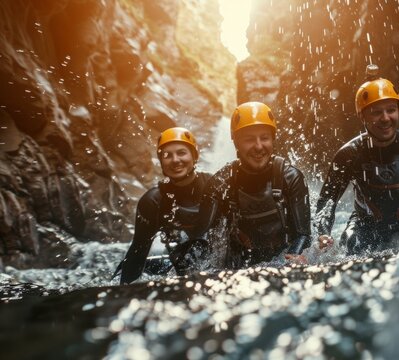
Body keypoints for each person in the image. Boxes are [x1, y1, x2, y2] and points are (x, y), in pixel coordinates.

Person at [315, 75, 399, 255]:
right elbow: (327, 201)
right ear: (362, 116)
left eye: (391, 110)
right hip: (365, 224)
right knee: (351, 245)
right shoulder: (349, 154)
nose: (385, 118)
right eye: (376, 112)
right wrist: (323, 235)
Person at [192, 101, 311, 268]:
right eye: (249, 139)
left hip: (283, 261)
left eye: (264, 138)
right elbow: (202, 238)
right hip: (238, 267)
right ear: (236, 143)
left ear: (273, 139)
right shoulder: (219, 185)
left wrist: (293, 261)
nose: (258, 146)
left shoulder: (291, 178)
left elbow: (303, 235)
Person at [119, 127, 213, 284]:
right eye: (167, 155)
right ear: (161, 161)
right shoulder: (153, 202)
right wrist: (123, 295)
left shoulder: (214, 187)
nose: (175, 160)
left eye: (182, 153)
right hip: (183, 277)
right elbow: (137, 254)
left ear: (194, 156)